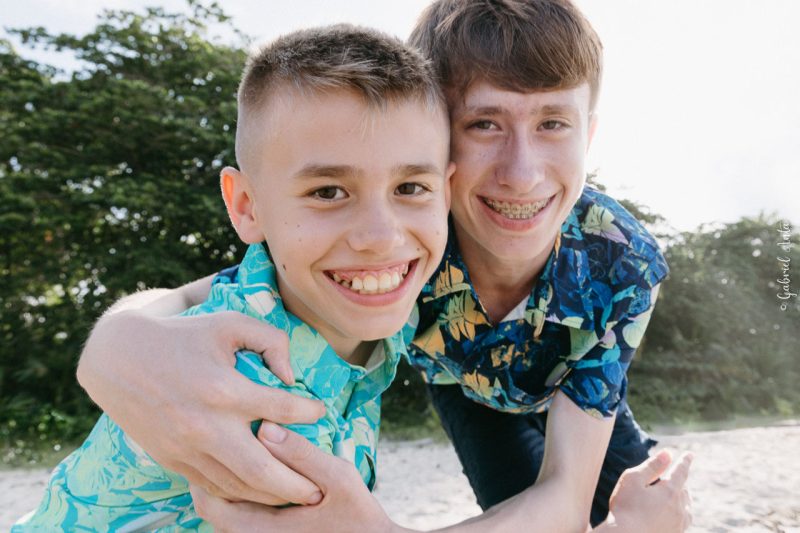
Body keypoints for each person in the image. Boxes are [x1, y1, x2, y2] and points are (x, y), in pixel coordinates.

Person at [76, 0, 693, 531]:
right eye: (483, 123)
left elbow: (564, 498)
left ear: (589, 132)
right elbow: (194, 296)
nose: (522, 173)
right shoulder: (403, 233)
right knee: (511, 511)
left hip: (576, 386)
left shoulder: (621, 259)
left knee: (653, 508)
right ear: (436, 139)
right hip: (465, 389)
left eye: (553, 122)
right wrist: (116, 345)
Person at [13, 24, 454, 532]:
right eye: (329, 192)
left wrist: (121, 330)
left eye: (410, 186)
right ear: (246, 206)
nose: (381, 237)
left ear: (445, 191)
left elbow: (188, 292)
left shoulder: (357, 296)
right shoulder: (252, 389)